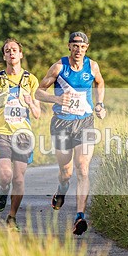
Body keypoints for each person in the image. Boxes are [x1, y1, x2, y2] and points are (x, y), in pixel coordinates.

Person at [35, 31, 106, 236]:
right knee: (66, 172)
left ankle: (79, 216)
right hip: (62, 124)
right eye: (75, 46)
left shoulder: (92, 66)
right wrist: (56, 100)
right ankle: (62, 188)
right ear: (69, 46)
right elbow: (38, 92)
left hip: (85, 122)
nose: (78, 50)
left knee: (83, 168)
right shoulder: (59, 67)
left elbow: (99, 82)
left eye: (82, 46)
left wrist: (100, 104)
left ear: (87, 48)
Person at [0, 38, 41, 229]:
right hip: (2, 132)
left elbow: (38, 114)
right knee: (6, 176)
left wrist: (30, 102)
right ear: (4, 56)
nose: (11, 53)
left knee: (19, 178)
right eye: (7, 51)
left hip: (23, 135)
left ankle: (12, 217)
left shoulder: (30, 80)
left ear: (21, 54)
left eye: (14, 50)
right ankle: (3, 188)